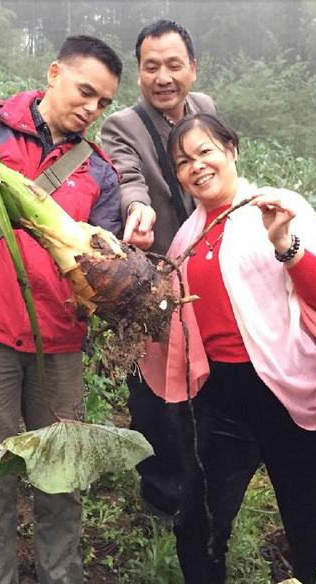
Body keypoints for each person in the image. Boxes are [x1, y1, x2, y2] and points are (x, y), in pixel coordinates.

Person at [0, 36, 123, 584]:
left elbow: (97, 264)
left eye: (104, 103)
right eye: (86, 92)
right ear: (55, 73)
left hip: (57, 340)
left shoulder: (99, 171)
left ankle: (63, 576)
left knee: (63, 475)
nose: (92, 109)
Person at [139, 113, 316, 584]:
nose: (196, 166)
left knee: (311, 526)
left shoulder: (277, 208)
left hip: (288, 394)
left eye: (205, 152)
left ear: (231, 149)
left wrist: (285, 243)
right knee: (198, 524)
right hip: (219, 398)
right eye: (182, 161)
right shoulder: (186, 238)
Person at [100, 19, 216, 519]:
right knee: (152, 388)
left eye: (174, 65)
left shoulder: (206, 110)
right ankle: (162, 490)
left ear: (193, 67)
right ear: (139, 74)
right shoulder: (122, 125)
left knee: (205, 377)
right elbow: (129, 179)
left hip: (207, 272)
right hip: (153, 276)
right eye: (151, 67)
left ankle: (207, 473)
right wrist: (136, 212)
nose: (163, 77)